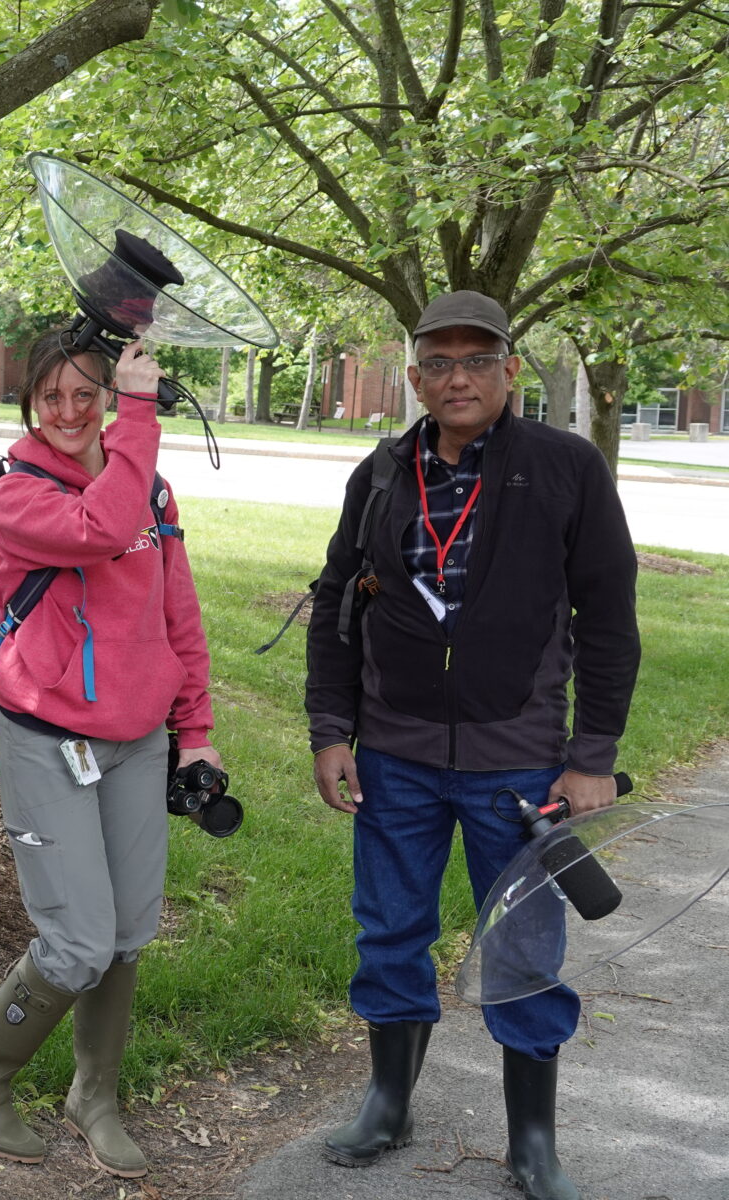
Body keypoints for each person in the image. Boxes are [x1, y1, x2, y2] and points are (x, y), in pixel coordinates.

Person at [305, 291, 640, 1200]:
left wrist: (593, 754)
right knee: (390, 933)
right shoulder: (379, 474)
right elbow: (337, 608)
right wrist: (331, 731)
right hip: (394, 758)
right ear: (414, 376)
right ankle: (388, 1100)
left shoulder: (566, 468)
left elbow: (608, 621)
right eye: (440, 362)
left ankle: (532, 1141)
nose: (458, 378)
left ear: (509, 370)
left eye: (477, 360)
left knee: (526, 948)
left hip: (521, 764)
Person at [0, 329, 220, 1180]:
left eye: (86, 394)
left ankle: (95, 1096)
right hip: (48, 740)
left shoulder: (154, 494)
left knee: (129, 934)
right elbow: (103, 526)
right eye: (50, 397)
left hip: (136, 743)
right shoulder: (15, 498)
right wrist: (137, 411)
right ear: (29, 405)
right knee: (76, 945)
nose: (68, 411)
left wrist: (194, 730)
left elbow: (180, 617)